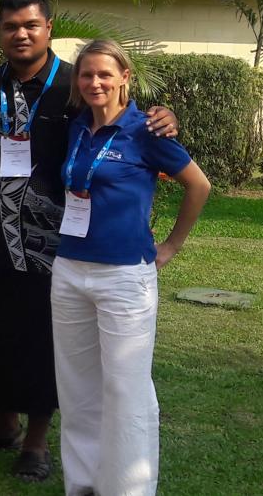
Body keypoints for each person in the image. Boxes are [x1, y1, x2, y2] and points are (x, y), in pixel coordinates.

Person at [0, 0, 178, 482]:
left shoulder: (71, 88)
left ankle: (35, 444)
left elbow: (121, 119)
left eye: (31, 25)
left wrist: (166, 115)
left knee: (40, 337)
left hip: (57, 239)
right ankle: (3, 425)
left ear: (48, 28)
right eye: (10, 26)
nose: (20, 34)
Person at [52, 40, 209, 496]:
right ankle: (82, 484)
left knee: (126, 390)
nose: (94, 82)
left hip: (124, 277)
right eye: (86, 75)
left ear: (125, 76)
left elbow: (198, 185)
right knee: (78, 389)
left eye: (104, 74)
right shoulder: (78, 127)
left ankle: (127, 489)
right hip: (70, 270)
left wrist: (172, 246)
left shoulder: (147, 131)